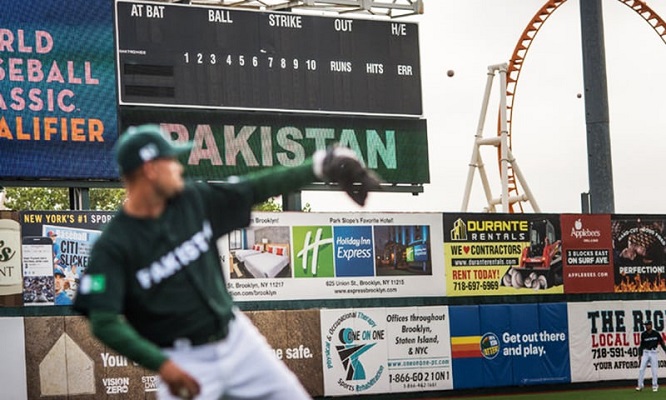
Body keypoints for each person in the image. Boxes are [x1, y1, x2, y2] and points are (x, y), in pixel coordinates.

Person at [73, 124, 381, 400]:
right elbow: (104, 321)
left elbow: (255, 187)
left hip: (236, 339)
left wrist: (320, 165)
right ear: (151, 169)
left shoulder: (193, 200)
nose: (180, 167)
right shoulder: (113, 245)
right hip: (183, 361)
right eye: (172, 160)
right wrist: (163, 366)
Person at [636, 320, 666, 392]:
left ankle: (655, 386)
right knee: (641, 369)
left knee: (654, 370)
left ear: (651, 325)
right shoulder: (643, 334)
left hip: (653, 352)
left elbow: (661, 343)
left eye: (647, 325)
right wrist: (640, 354)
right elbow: (642, 345)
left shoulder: (656, 334)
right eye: (645, 325)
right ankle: (640, 385)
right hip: (646, 352)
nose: (646, 326)